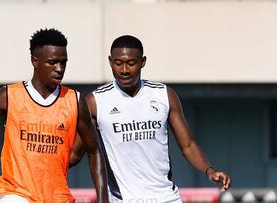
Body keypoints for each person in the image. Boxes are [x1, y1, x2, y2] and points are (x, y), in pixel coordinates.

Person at [69, 35, 231, 203]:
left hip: (166, 198)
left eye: (131, 63)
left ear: (143, 61)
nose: (124, 70)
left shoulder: (164, 95)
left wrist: (209, 171)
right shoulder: (96, 101)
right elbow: (75, 154)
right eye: (118, 63)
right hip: (123, 199)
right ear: (110, 62)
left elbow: (188, 145)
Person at [0, 28, 108, 203]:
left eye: (63, 63)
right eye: (53, 62)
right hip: (15, 195)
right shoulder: (9, 96)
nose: (59, 69)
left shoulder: (75, 101)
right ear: (35, 61)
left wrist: (104, 199)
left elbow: (94, 151)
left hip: (58, 197)